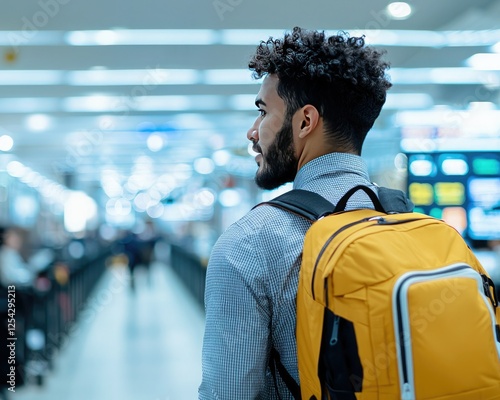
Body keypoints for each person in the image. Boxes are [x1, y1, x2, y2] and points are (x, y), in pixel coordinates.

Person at [199, 27, 412, 399]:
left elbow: (227, 393)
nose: (252, 132)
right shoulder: (414, 225)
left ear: (304, 122)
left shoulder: (248, 245)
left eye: (263, 112)